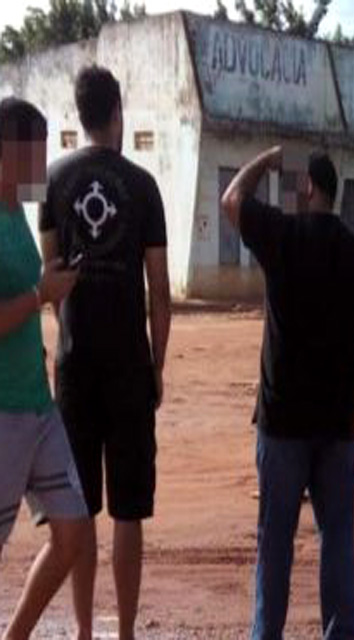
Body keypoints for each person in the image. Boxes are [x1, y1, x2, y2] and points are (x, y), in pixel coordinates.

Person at [221, 146, 354, 640]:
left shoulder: (282, 235)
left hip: (282, 426)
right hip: (336, 426)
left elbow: (233, 198)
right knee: (337, 537)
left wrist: (267, 158)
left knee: (275, 541)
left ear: (306, 188)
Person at [39, 65, 171, 640]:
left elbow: (49, 277)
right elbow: (160, 291)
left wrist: (70, 329)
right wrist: (156, 364)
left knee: (79, 508)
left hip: (75, 367)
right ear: (117, 113)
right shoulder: (143, 187)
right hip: (127, 367)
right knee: (129, 510)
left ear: (79, 112)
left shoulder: (53, 182)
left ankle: (85, 631)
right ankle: (125, 635)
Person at [0, 97, 89, 640]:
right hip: (4, 410)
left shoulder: (17, 215)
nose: (42, 163)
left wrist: (48, 283)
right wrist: (39, 294)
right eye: (35, 151)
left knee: (73, 531)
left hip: (37, 405)